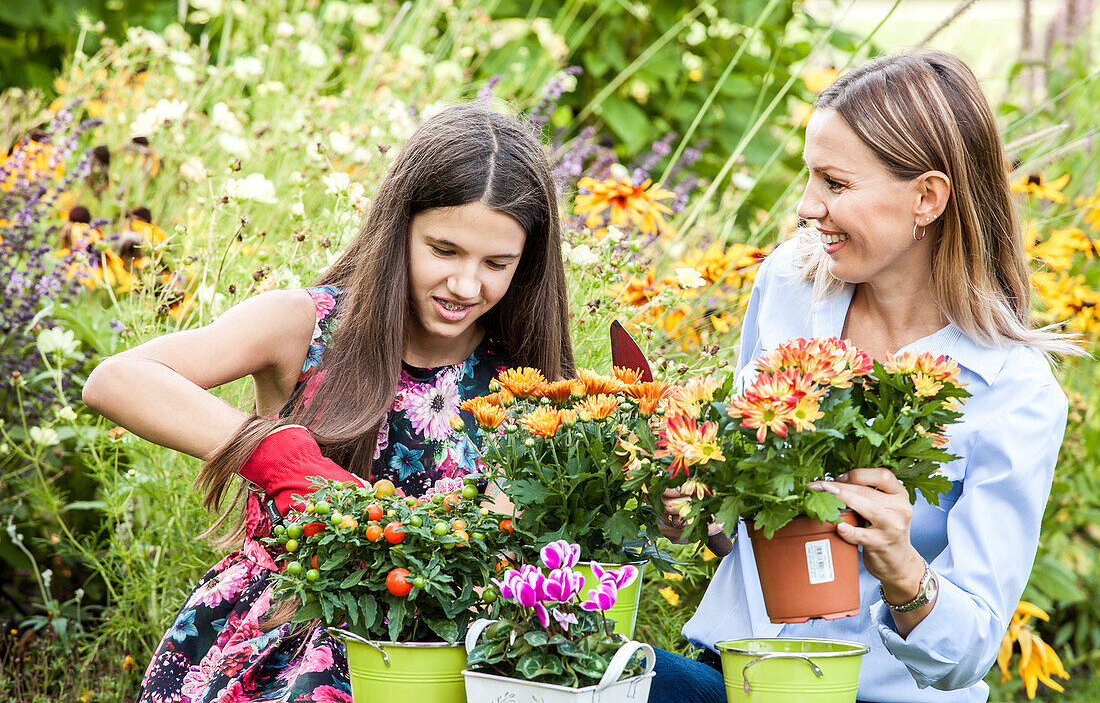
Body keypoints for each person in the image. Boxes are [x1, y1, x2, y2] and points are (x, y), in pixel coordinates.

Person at [82, 103, 575, 702]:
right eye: (443, 250)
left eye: (497, 263)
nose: (467, 285)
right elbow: (117, 379)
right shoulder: (307, 326)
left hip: (448, 657)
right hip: (280, 639)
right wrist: (274, 453)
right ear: (399, 230)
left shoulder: (526, 376)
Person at [649, 50, 1077, 702]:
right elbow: (728, 515)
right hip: (730, 671)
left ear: (927, 197)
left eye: (835, 183)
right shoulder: (789, 285)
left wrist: (902, 567)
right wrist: (695, 505)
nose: (805, 207)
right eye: (808, 177)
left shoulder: (1012, 391)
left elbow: (968, 653)